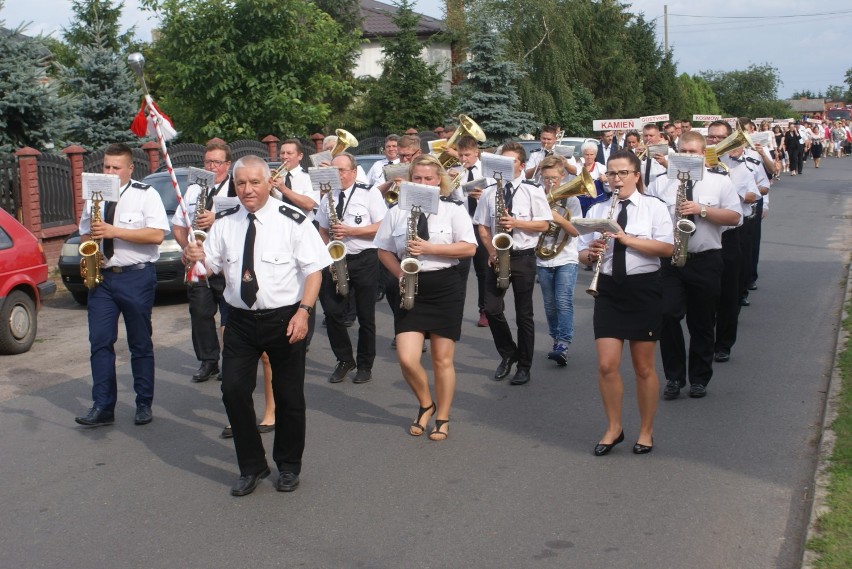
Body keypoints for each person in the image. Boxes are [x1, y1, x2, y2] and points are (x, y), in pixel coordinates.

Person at [185, 155, 331, 497]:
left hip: (286, 319)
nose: (247, 190)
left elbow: (314, 270)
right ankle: (251, 465)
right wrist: (195, 257)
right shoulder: (224, 222)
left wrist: (305, 312)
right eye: (241, 183)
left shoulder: (292, 221)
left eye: (254, 182)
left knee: (288, 395)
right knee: (233, 390)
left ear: (269, 183)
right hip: (240, 321)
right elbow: (212, 266)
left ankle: (289, 465)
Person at [577, 150, 674, 455]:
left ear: (636, 175)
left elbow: (667, 248)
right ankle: (614, 427)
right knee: (606, 365)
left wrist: (626, 239)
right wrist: (590, 253)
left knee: (643, 367)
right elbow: (580, 254)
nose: (615, 180)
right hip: (608, 288)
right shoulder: (599, 209)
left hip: (643, 288)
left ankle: (646, 430)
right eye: (611, 174)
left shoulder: (653, 208)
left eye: (622, 174)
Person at [375, 155, 476, 441]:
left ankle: (442, 416)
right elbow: (383, 250)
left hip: (444, 285)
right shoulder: (396, 211)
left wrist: (432, 248)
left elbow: (469, 248)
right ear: (408, 180)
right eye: (417, 178)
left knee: (442, 359)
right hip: (409, 285)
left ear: (439, 181)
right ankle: (425, 403)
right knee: (407, 358)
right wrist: (399, 274)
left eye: (428, 179)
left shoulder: (453, 210)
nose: (422, 183)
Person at [75, 143, 170, 427]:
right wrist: (89, 245)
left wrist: (114, 231)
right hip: (102, 278)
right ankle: (103, 406)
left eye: (117, 168)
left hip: (136, 276)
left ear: (130, 169)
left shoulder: (146, 195)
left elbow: (156, 235)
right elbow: (83, 234)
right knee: (100, 342)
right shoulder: (95, 196)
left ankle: (143, 403)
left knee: (139, 342)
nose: (110, 172)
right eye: (106, 166)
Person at [646, 131, 741, 400]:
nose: (687, 156)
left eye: (692, 152)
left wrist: (702, 209)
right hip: (669, 261)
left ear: (703, 154)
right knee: (667, 315)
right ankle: (674, 377)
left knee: (701, 322)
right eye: (683, 151)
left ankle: (699, 378)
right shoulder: (660, 184)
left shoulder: (719, 182)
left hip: (705, 259)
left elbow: (735, 217)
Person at [473, 141, 552, 385]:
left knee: (524, 315)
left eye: (512, 162)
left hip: (523, 256)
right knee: (492, 308)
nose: (506, 166)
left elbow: (544, 224)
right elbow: (482, 226)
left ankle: (524, 366)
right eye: (502, 162)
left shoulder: (532, 190)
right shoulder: (489, 191)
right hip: (498, 256)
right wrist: (490, 250)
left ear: (522, 165)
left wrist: (517, 223)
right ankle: (508, 353)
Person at [316, 152, 387, 384]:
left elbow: (381, 226)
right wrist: (325, 250)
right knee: (332, 312)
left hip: (364, 258)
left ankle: (365, 364)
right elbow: (323, 229)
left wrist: (351, 231)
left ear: (354, 172)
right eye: (334, 171)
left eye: (342, 170)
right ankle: (345, 359)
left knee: (366, 316)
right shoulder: (328, 196)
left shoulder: (370, 193)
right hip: (337, 259)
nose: (338, 175)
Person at [172, 140, 233, 383]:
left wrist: (216, 218)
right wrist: (186, 247)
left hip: (227, 264)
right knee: (199, 312)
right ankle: (208, 360)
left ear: (227, 164)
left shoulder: (236, 188)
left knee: (231, 316)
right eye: (208, 162)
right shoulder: (194, 189)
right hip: (198, 263)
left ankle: (231, 360)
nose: (212, 166)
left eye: (217, 162)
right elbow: (178, 225)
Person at [535, 156, 581, 366]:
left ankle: (563, 342)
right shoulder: (536, 197)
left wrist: (559, 218)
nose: (550, 182)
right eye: (546, 178)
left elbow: (576, 231)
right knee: (550, 305)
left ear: (563, 176)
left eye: (554, 178)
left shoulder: (572, 200)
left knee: (563, 301)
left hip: (566, 257)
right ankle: (556, 339)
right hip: (543, 258)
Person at [451, 134, 490, 328]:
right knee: (459, 271)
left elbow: (495, 198)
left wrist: (483, 196)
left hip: (481, 224)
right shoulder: (455, 172)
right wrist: (449, 183)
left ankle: (484, 310)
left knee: (483, 270)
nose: (463, 159)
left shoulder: (487, 171)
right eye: (461, 155)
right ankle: (454, 312)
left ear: (476, 153)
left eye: (467, 155)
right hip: (462, 226)